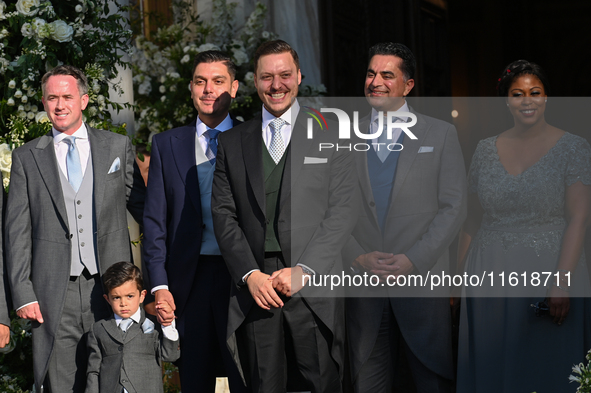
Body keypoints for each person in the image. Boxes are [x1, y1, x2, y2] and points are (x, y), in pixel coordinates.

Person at [211, 40, 358, 393]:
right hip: (258, 287)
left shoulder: (332, 131)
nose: (276, 85)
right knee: (264, 384)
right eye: (267, 77)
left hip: (313, 284)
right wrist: (250, 275)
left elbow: (343, 208)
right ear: (255, 81)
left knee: (322, 382)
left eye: (284, 75)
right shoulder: (232, 142)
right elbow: (223, 213)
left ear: (299, 77)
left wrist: (305, 270)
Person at [456, 60, 591, 392]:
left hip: (547, 272)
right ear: (507, 101)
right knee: (492, 366)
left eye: (535, 92)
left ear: (546, 98)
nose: (527, 100)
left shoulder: (574, 147)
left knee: (546, 366)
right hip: (488, 275)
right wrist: (458, 276)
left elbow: (579, 217)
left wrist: (561, 283)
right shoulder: (485, 149)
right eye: (518, 94)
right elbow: (472, 219)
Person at [4, 64, 140, 392]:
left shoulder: (116, 147)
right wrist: (22, 291)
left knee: (114, 378)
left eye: (67, 96)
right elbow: (17, 230)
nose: (60, 104)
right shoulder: (26, 158)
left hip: (111, 288)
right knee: (61, 383)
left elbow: (148, 212)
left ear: (84, 100)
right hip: (54, 294)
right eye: (52, 98)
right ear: (43, 102)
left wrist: (150, 281)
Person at [343, 42, 467, 393]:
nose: (375, 81)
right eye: (370, 73)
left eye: (386, 74)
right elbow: (330, 210)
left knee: (430, 385)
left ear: (408, 85)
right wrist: (357, 255)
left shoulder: (440, 134)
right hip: (364, 292)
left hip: (422, 288)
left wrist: (415, 259)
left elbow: (454, 206)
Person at [142, 50, 247, 392]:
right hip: (189, 283)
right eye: (200, 81)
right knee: (195, 381)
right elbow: (155, 223)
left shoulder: (255, 139)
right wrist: (159, 285)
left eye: (218, 81)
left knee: (248, 378)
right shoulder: (165, 144)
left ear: (234, 87)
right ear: (190, 87)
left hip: (244, 280)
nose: (208, 89)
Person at [85, 261, 180, 393]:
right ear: (108, 299)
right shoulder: (98, 329)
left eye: (130, 296)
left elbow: (170, 355)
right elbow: (93, 371)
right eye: (116, 297)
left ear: (142, 296)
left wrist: (167, 325)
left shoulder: (154, 325)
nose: (123, 303)